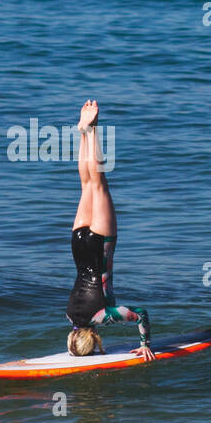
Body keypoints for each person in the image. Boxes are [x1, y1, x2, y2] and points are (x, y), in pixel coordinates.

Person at [66, 100, 153, 360]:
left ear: (92, 340)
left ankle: (91, 130)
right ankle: (83, 131)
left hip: (99, 244)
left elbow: (141, 314)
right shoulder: (70, 314)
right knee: (86, 184)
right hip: (78, 244)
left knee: (99, 182)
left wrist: (145, 343)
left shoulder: (102, 317)